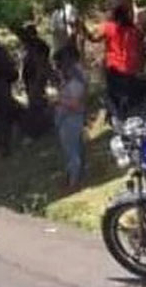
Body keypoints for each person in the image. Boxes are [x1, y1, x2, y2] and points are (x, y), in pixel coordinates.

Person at [85, 0, 143, 120]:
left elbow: (93, 38)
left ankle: (119, 116)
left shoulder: (110, 28)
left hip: (116, 70)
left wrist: (83, 29)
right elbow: (140, 48)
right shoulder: (134, 30)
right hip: (132, 70)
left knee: (111, 96)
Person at [53, 45, 86, 189]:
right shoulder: (71, 80)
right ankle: (71, 179)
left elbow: (75, 104)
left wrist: (57, 100)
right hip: (67, 119)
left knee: (73, 153)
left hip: (71, 119)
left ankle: (74, 183)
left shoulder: (76, 82)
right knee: (71, 151)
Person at [15, 24, 53, 137]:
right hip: (31, 78)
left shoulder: (37, 45)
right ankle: (41, 126)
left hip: (36, 78)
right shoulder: (30, 46)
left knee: (37, 102)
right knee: (36, 101)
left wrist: (38, 78)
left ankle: (43, 127)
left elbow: (40, 63)